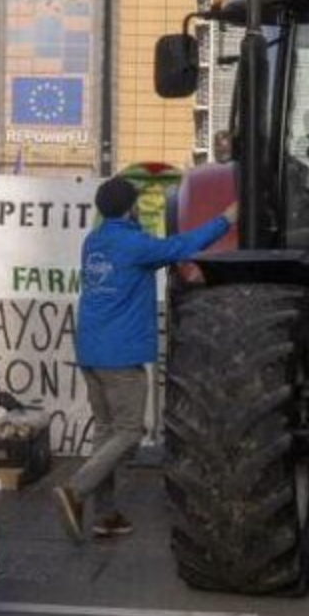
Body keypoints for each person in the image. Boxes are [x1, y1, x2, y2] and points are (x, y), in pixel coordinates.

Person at [52, 177, 233, 542]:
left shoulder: (94, 242)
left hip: (90, 351)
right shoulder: (134, 244)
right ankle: (76, 488)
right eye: (136, 202)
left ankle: (107, 517)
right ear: (130, 207)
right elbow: (183, 246)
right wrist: (226, 219)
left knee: (105, 433)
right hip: (120, 355)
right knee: (130, 431)